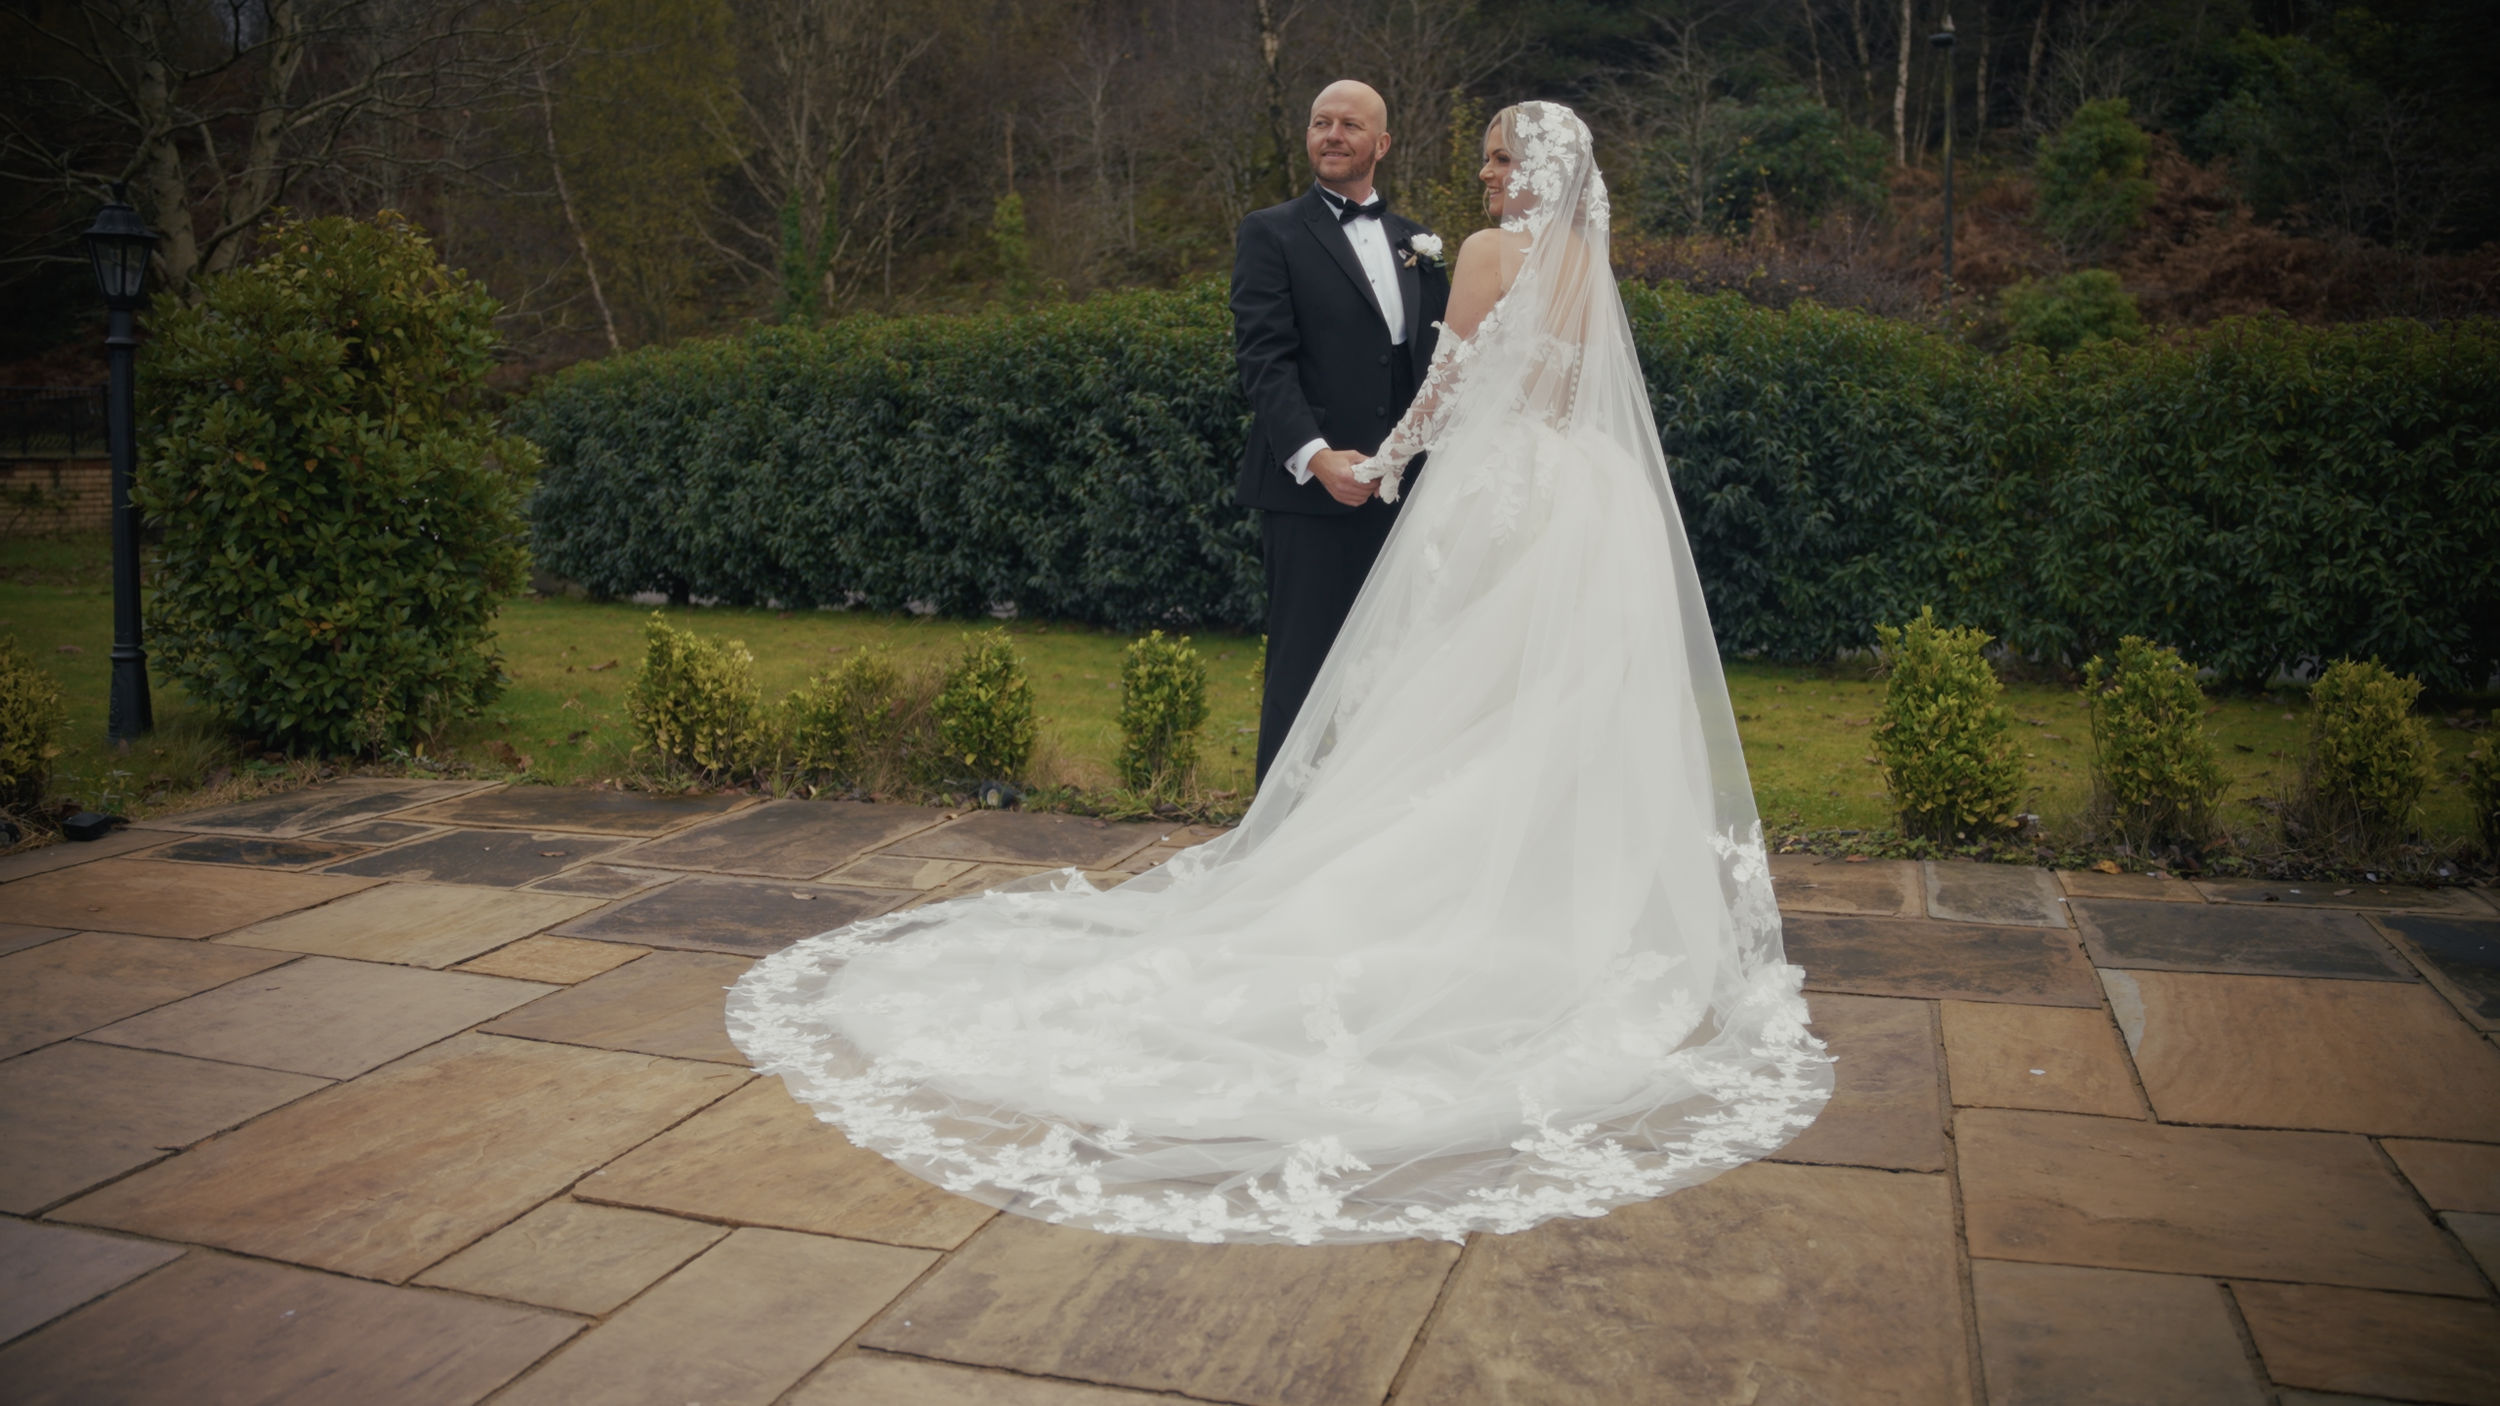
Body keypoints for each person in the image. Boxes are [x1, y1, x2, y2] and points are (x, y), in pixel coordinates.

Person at [727, 102, 1833, 1247]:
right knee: (1542, 708)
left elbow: (1447, 383)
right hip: (1586, 501)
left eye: (1500, 159)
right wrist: (1327, 456)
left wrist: (1380, 464)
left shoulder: (1493, 254)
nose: (1488, 176)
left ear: (1533, 170)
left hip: (1502, 493)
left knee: (1453, 699)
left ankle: (1399, 889)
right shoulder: (1585, 259)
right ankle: (1556, 905)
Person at [1232, 80, 1451, 784]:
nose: (1332, 134)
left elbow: (1442, 363)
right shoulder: (1271, 232)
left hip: (1406, 496)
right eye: (1320, 121)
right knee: (1304, 673)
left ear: (1381, 144)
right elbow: (1264, 361)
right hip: (1312, 495)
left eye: (1350, 125)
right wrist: (1317, 457)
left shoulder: (1415, 241)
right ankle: (1273, 849)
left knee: (1395, 673)